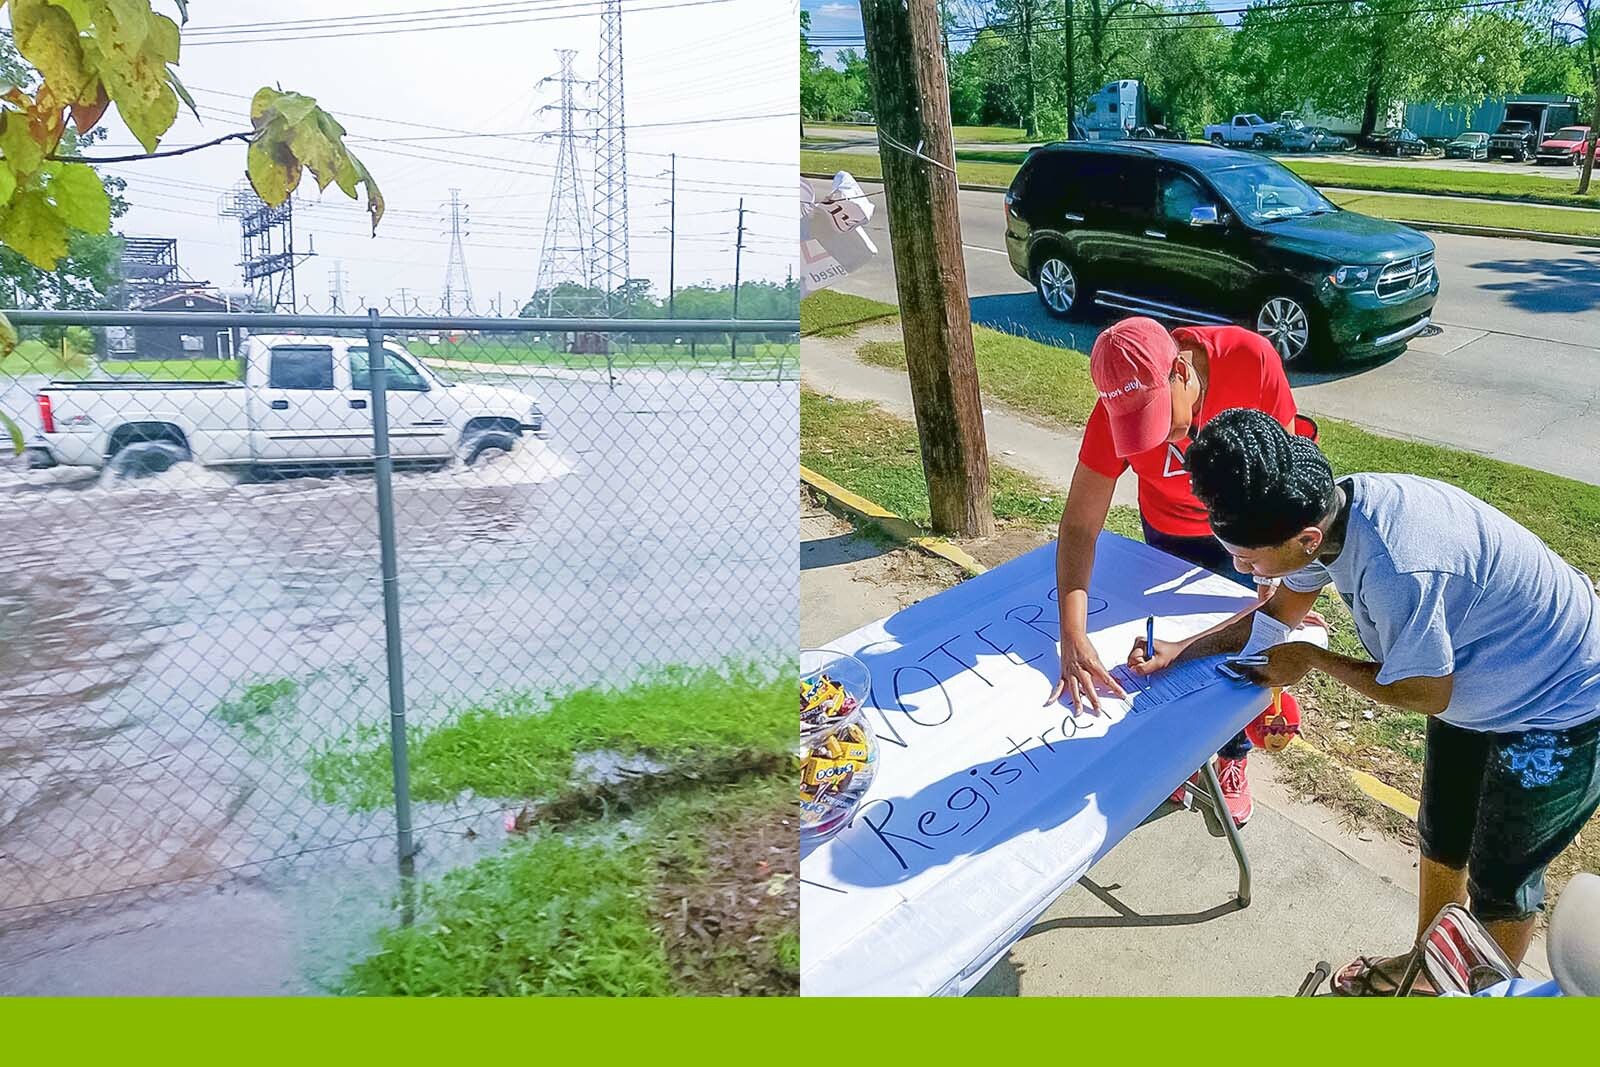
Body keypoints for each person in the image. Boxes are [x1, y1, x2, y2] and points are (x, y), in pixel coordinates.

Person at [1134, 407, 1600, 993]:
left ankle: (1473, 1004)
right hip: (1481, 681)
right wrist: (1182, 649)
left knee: (1502, 883)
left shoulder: (1397, 568)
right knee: (1442, 835)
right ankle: (1425, 967)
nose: (1239, 566)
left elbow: (1425, 692)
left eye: (1249, 559)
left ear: (1304, 541)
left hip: (1563, 704)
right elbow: (1279, 614)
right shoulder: (1322, 514)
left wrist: (1313, 659)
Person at [1048, 316, 1306, 827]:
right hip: (1168, 533)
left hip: (1245, 526)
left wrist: (1270, 570)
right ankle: (1186, 755)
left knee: (1239, 648)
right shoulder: (1111, 410)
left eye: (1165, 422)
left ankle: (1232, 756)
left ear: (1182, 373)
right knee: (1169, 653)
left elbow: (1283, 471)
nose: (1168, 442)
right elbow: (1079, 526)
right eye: (1142, 434)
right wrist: (1072, 634)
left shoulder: (1250, 360)